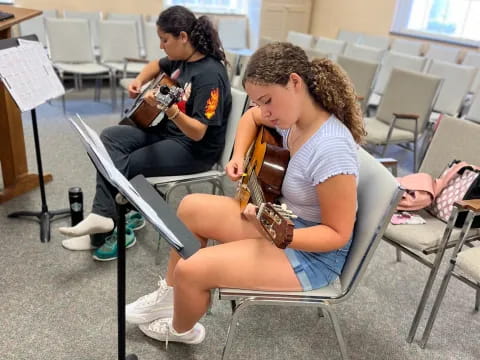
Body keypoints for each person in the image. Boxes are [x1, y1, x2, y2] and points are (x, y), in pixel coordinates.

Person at [124, 42, 366, 345]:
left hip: (313, 255)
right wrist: (239, 156)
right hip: (284, 220)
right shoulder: (293, 116)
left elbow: (337, 233)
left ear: (294, 82)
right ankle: (172, 297)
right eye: (258, 101)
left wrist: (278, 233)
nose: (263, 111)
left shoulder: (331, 148)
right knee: (189, 207)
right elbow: (251, 118)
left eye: (267, 101)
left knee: (191, 270)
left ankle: (182, 329)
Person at [58, 6, 232, 261]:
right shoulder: (183, 59)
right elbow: (155, 65)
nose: (161, 46)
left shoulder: (209, 75)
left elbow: (197, 133)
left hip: (195, 149)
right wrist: (139, 80)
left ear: (183, 37)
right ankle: (107, 216)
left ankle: (110, 227)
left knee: (125, 165)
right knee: (110, 137)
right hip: (168, 134)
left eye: (165, 40)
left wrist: (170, 110)